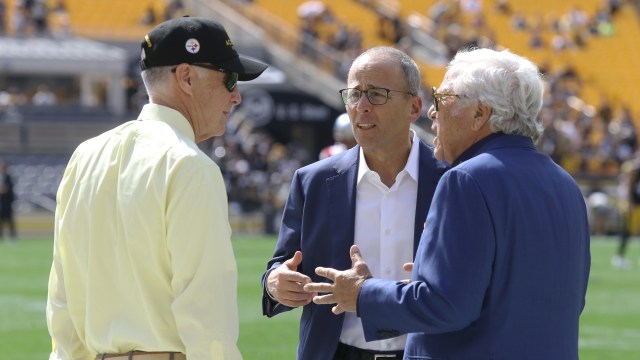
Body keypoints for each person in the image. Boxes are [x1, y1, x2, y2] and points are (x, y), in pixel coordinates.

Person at [305, 48, 591, 359]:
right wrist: (449, 275)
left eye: (442, 99)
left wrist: (362, 293)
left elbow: (446, 305)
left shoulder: (466, 179)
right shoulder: (564, 183)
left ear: (479, 114)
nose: (432, 112)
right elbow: (566, 299)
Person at [46, 17, 267, 360]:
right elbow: (206, 316)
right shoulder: (190, 166)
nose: (237, 95)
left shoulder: (85, 156)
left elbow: (62, 303)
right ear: (186, 77)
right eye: (230, 79)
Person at [262, 46, 448, 360]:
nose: (361, 107)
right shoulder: (313, 182)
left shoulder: (452, 180)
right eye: (353, 94)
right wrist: (276, 282)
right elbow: (282, 264)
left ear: (414, 107)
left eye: (376, 94)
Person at [614, 152, 640, 269]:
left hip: (636, 203)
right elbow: (629, 185)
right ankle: (619, 257)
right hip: (632, 204)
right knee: (627, 231)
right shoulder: (633, 167)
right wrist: (629, 202)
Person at [0, 159, 16, 243]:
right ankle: (1, 236)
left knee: (10, 221)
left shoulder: (8, 177)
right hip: (1, 203)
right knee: (1, 221)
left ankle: (12, 237)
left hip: (7, 203)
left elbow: (8, 189)